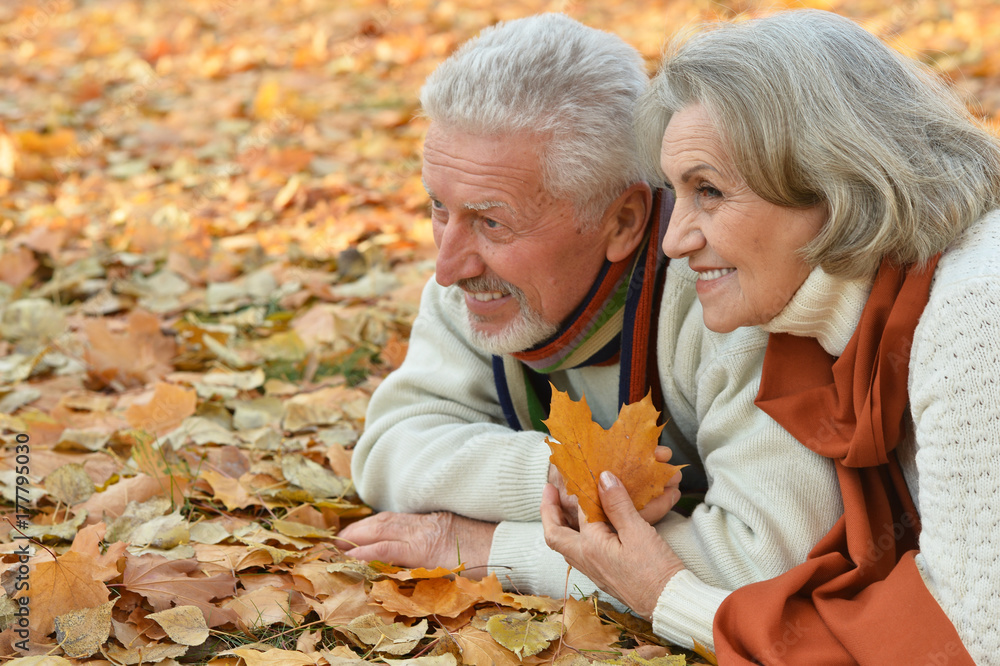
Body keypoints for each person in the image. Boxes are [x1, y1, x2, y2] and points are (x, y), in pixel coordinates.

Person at [340, 13, 842, 648]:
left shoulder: (730, 291)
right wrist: (566, 476)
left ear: (625, 221)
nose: (446, 266)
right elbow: (389, 447)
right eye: (438, 207)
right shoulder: (480, 278)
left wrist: (490, 546)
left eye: (493, 222)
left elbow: (764, 564)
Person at [542, 9, 1000, 664]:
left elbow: (972, 643)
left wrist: (667, 595)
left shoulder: (977, 316)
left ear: (835, 181)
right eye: (678, 195)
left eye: (709, 191)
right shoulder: (837, 327)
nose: (675, 241)